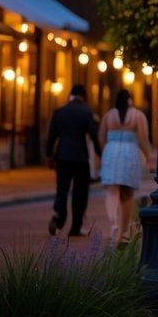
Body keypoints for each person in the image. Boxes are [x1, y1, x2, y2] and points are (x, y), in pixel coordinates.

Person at [45, 84, 101, 237]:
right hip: (81, 158)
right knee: (80, 193)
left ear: (71, 95)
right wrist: (101, 154)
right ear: (84, 96)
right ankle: (75, 227)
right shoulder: (87, 112)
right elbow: (94, 135)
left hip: (62, 157)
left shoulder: (59, 112)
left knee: (62, 189)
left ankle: (59, 218)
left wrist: (49, 156)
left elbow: (51, 137)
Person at [99, 89, 152, 246]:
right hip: (130, 153)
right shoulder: (138, 116)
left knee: (112, 190)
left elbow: (101, 137)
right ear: (130, 100)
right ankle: (123, 233)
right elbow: (143, 139)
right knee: (127, 194)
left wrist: (106, 152)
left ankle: (114, 224)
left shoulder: (109, 115)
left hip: (111, 151)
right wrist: (148, 156)